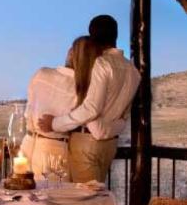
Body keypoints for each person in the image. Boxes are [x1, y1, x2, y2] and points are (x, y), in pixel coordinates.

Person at [39, 15, 140, 183]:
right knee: (96, 195)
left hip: (86, 142)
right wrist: (105, 130)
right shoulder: (133, 71)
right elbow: (123, 117)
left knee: (82, 198)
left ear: (92, 35)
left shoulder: (101, 64)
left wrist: (54, 123)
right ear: (115, 35)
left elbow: (91, 108)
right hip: (109, 145)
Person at [21, 38, 81, 181]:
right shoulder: (81, 89)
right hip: (54, 149)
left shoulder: (41, 73)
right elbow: (76, 121)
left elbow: (28, 109)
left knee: (21, 197)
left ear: (69, 53)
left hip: (27, 143)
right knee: (52, 198)